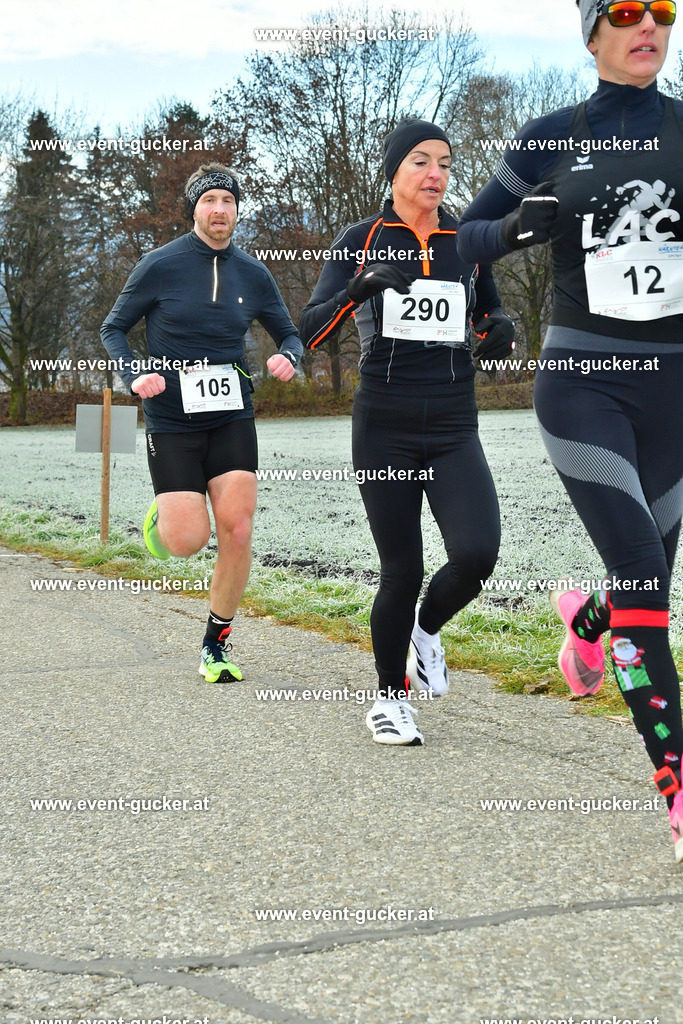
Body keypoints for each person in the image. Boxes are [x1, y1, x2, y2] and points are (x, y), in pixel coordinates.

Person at [457, 0, 683, 860]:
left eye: (661, 10)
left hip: (670, 389)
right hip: (585, 382)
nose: (648, 25)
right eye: (625, 11)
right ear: (591, 33)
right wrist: (507, 239)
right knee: (642, 573)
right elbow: (452, 238)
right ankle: (673, 787)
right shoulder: (550, 135)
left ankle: (587, 628)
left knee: (646, 574)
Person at [299, 119, 515, 745]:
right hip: (385, 423)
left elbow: (486, 313)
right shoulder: (360, 237)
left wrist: (496, 329)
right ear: (393, 171)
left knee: (476, 554)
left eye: (445, 163)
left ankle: (426, 632)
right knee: (402, 567)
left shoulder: (466, 240)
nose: (435, 174)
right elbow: (311, 327)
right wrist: (357, 288)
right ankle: (390, 701)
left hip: (452, 421)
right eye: (420, 161)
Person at [101, 163, 302, 684]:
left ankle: (216, 642)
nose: (219, 209)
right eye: (209, 200)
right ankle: (166, 517)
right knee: (188, 540)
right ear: (195, 208)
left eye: (228, 201)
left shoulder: (254, 274)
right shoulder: (159, 265)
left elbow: (289, 333)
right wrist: (134, 374)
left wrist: (289, 356)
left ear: (237, 209)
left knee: (237, 529)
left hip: (232, 413)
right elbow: (114, 327)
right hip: (171, 418)